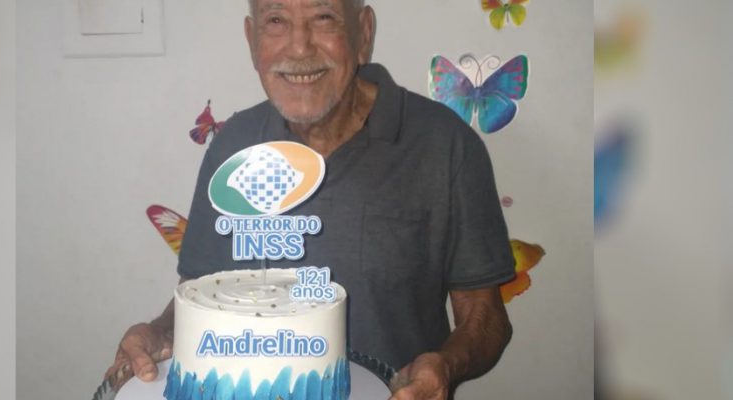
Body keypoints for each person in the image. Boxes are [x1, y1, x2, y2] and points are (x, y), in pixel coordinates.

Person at [106, 1, 515, 399]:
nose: (300, 47)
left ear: (363, 33)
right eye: (276, 20)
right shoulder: (234, 145)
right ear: (251, 40)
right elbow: (199, 293)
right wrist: (160, 332)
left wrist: (445, 365)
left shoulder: (444, 144)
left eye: (323, 17)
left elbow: (486, 319)